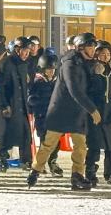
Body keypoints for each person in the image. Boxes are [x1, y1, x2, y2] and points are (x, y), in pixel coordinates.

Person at [27, 33, 101, 191]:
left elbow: (89, 86)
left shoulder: (87, 63)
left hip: (77, 111)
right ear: (81, 47)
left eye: (94, 46)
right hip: (60, 110)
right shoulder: (69, 63)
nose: (93, 49)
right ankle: (35, 171)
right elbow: (74, 89)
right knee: (48, 145)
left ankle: (77, 176)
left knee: (81, 145)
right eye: (90, 46)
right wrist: (92, 109)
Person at [0, 37, 34, 171]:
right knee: (8, 133)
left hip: (21, 104)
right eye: (24, 50)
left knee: (26, 133)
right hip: (10, 104)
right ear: (17, 50)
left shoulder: (23, 64)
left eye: (28, 51)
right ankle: (2, 158)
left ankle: (26, 160)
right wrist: (4, 105)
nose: (27, 54)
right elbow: (0, 86)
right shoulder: (6, 63)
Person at [84, 42, 111, 186]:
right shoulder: (91, 68)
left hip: (109, 111)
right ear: (96, 54)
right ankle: (90, 172)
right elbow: (87, 91)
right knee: (94, 144)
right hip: (95, 111)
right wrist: (95, 75)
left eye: (107, 54)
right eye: (102, 54)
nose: (105, 57)